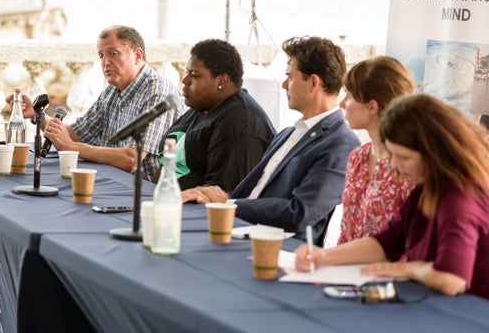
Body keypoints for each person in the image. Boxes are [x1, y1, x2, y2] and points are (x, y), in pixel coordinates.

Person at [295, 94, 489, 305]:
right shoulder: (429, 189)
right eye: (392, 154)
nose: (394, 165)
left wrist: (403, 268)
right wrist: (323, 257)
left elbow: (451, 280)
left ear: (435, 154)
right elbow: (385, 243)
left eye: (404, 157)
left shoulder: (460, 199)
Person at [182, 36, 361, 245]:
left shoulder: (340, 143)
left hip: (277, 247)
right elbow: (250, 192)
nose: (284, 85)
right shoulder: (287, 134)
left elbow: (301, 213)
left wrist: (230, 204)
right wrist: (212, 196)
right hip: (240, 230)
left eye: (290, 77)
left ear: (313, 83)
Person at [38, 25, 185, 181]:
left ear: (137, 56)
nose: (105, 62)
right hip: (110, 179)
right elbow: (77, 134)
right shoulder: (112, 91)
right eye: (101, 56)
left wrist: (71, 148)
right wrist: (38, 116)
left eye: (113, 54)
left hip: (143, 190)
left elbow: (131, 159)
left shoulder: (158, 93)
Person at [158, 38, 275, 190]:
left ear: (222, 81)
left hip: (195, 210)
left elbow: (224, 195)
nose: (185, 80)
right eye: (187, 72)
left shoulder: (240, 125)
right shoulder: (204, 106)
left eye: (194, 75)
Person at [337, 56, 417, 244]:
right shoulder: (357, 157)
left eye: (348, 95)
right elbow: (347, 232)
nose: (341, 103)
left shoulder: (410, 167)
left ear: (372, 106)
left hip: (391, 272)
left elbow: (414, 243)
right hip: (344, 269)